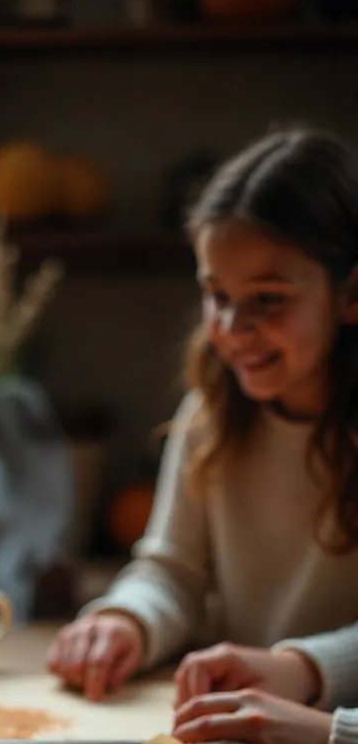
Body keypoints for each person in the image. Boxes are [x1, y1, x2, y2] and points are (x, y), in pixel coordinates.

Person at [47, 127, 358, 705]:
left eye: (268, 298)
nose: (233, 329)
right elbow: (174, 575)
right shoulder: (209, 416)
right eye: (216, 295)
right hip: (243, 736)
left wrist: (304, 671)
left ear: (350, 296)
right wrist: (127, 622)